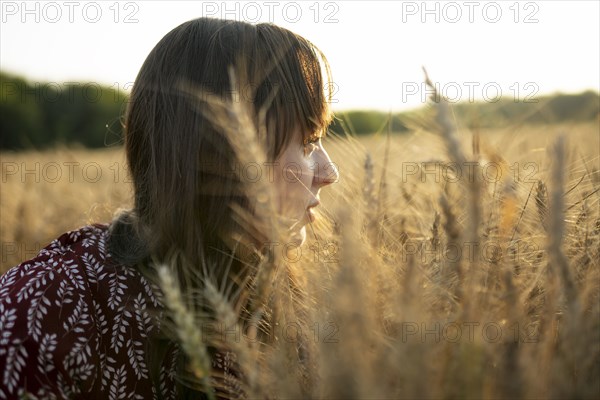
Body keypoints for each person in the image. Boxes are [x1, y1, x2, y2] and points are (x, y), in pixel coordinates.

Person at [0, 17, 338, 399]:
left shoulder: (285, 297)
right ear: (224, 152)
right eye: (308, 144)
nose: (330, 173)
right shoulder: (49, 307)